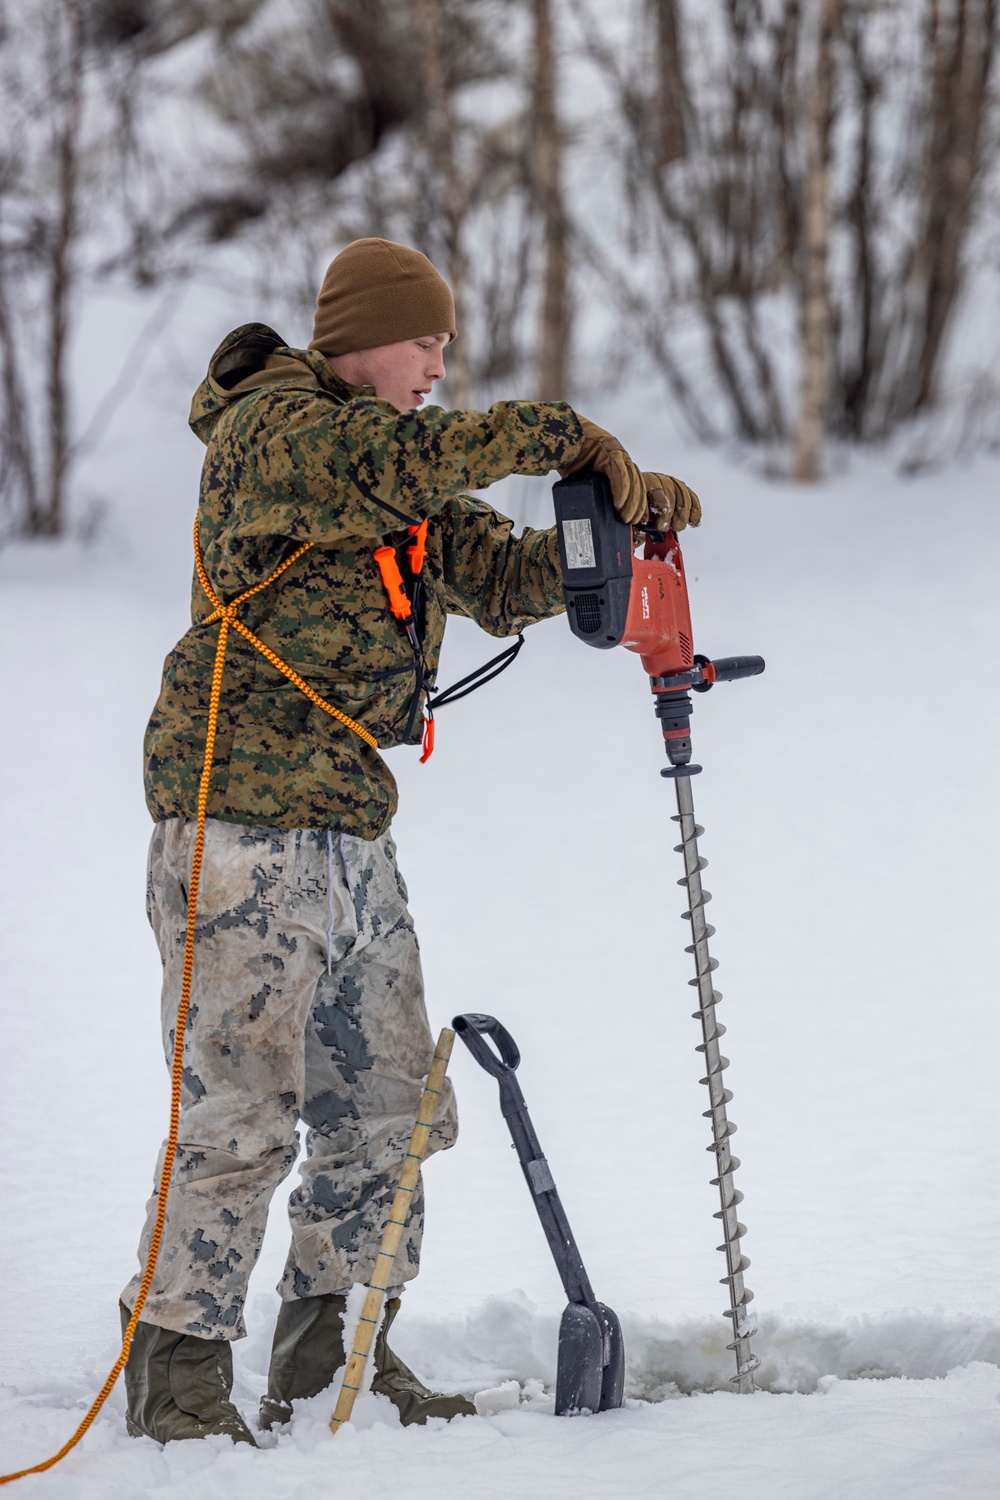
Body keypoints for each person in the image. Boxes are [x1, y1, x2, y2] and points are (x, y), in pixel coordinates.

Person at [120, 237, 701, 1445]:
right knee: (239, 1114)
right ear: (358, 338)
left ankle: (336, 1358)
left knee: (390, 1105)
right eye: (423, 339)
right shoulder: (280, 433)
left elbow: (493, 572)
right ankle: (175, 1386)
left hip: (349, 828)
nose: (440, 361)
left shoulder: (400, 474)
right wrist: (562, 430)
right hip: (237, 824)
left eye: (445, 341)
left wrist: (616, 532)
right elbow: (393, 466)